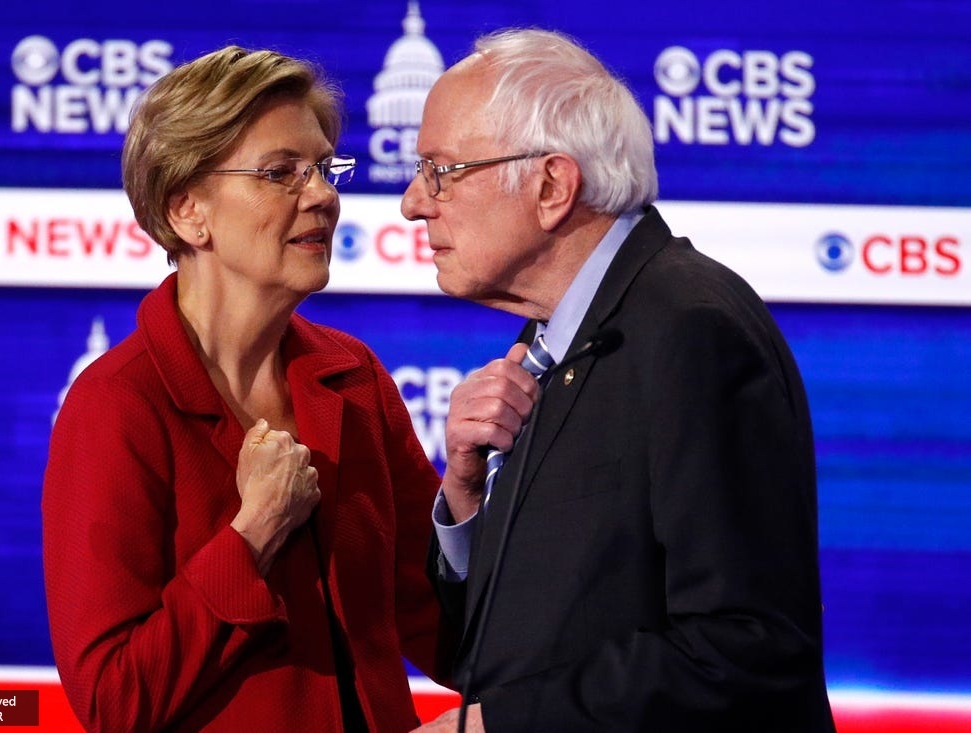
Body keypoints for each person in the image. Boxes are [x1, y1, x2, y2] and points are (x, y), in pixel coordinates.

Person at [401, 29, 836, 732]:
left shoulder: (691, 331)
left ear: (551, 186)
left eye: (441, 170)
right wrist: (466, 495)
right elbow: (499, 649)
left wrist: (497, 727)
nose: (413, 202)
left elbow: (744, 648)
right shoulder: (551, 338)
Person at [43, 45, 451, 732]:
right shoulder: (115, 405)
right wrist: (253, 532)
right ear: (188, 211)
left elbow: (441, 624)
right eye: (280, 173)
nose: (322, 195)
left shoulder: (354, 377)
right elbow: (115, 701)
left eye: (323, 168)